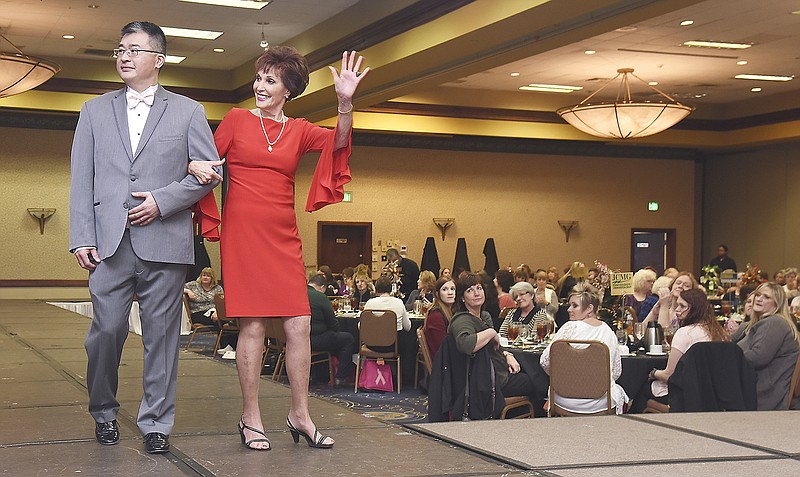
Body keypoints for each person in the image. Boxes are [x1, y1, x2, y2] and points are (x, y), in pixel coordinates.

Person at [188, 46, 369, 450]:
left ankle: (299, 414)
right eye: (259, 78)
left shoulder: (300, 128)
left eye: (270, 80)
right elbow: (203, 160)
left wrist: (344, 103)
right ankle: (250, 417)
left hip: (283, 235)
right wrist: (193, 166)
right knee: (251, 324)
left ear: (289, 89)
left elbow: (338, 143)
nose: (260, 86)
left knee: (299, 323)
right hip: (243, 236)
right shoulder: (236, 121)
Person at [69, 21, 221, 454]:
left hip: (166, 241)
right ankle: (103, 411)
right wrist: (82, 236)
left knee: (163, 338)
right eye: (119, 50)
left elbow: (211, 172)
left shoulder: (189, 111)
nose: (123, 56)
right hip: (109, 243)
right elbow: (82, 179)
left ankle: (156, 422)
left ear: (159, 59)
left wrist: (164, 200)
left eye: (134, 49)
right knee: (106, 331)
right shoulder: (93, 110)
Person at [629, 289, 728, 413]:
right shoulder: (720, 333)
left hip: (684, 395)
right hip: (713, 395)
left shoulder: (685, 333)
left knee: (643, 388)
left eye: (682, 306)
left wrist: (653, 373)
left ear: (695, 309)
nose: (677, 310)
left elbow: (670, 376)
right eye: (677, 305)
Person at [447, 273, 536, 405]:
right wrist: (491, 332)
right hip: (487, 382)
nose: (477, 293)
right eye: (470, 290)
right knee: (536, 381)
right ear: (462, 298)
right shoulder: (462, 319)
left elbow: (492, 346)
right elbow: (466, 344)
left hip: (494, 374)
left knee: (529, 372)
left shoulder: (481, 317)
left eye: (479, 288)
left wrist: (507, 354)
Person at [540, 283, 629, 414]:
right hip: (600, 402)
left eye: (574, 306)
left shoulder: (570, 327)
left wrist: (567, 379)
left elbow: (545, 361)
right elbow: (615, 372)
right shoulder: (609, 332)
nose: (568, 309)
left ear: (589, 308)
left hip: (565, 400)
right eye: (570, 305)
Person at [731, 283, 799, 410]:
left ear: (777, 304)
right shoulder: (755, 324)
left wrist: (728, 358)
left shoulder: (775, 322)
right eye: (758, 295)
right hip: (752, 384)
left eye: (766, 297)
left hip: (764, 392)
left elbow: (757, 357)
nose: (759, 299)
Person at [307, 274, 355, 386]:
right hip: (315, 340)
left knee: (335, 338)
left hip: (296, 339)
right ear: (322, 287)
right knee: (348, 339)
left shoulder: (298, 294)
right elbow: (333, 324)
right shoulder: (320, 297)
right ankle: (340, 377)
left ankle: (322, 373)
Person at [184, 268, 235, 356]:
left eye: (208, 276)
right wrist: (188, 291)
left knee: (226, 319)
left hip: (214, 311)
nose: (205, 277)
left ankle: (227, 345)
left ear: (212, 278)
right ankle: (228, 345)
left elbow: (222, 301)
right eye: (203, 275)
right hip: (198, 312)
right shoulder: (193, 285)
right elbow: (176, 288)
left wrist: (217, 312)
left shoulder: (218, 288)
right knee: (221, 320)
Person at [423, 277, 456, 359]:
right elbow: (442, 346)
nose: (450, 293)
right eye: (445, 289)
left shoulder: (449, 311)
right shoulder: (436, 316)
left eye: (452, 289)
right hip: (443, 363)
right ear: (437, 294)